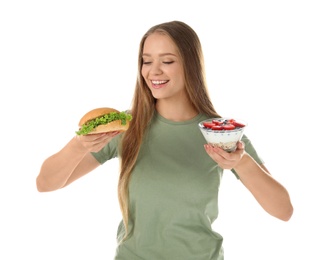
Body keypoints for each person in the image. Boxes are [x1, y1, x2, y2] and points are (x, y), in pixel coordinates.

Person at [36, 20, 293, 259]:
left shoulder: (220, 132)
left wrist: (241, 162)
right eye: (146, 61)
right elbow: (45, 183)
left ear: (190, 65)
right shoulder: (127, 126)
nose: (153, 71)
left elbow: (283, 211)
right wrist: (78, 145)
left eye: (167, 61)